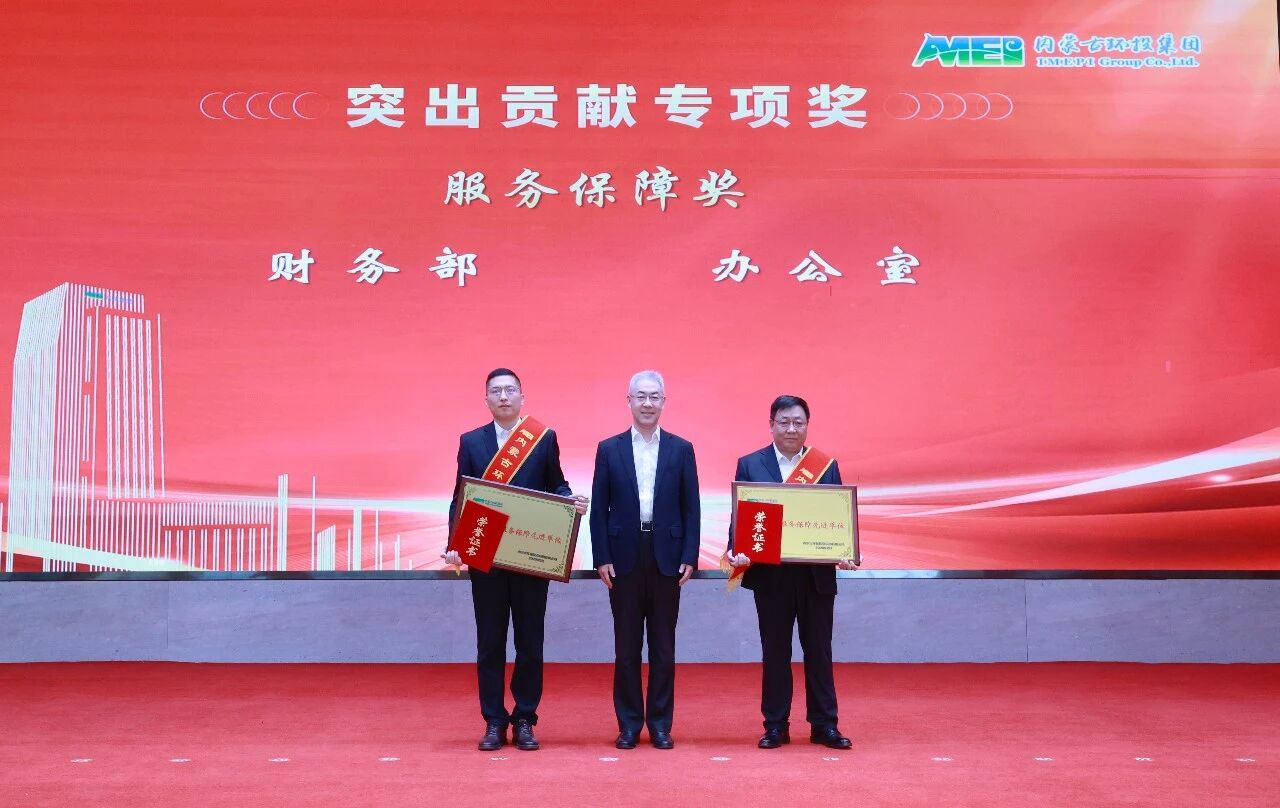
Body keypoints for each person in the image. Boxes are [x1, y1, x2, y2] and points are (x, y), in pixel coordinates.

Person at [443, 368, 588, 752]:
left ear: (522, 397)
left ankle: (525, 718)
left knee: (529, 641)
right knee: (490, 642)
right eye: (496, 391)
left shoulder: (543, 438)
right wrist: (455, 543)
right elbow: (461, 495)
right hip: (486, 556)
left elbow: (557, 484)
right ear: (486, 399)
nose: (504, 397)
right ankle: (493, 720)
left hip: (529, 557)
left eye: (510, 390)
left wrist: (571, 501)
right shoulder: (471, 441)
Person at [726, 395, 858, 750]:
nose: (791, 429)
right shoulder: (750, 464)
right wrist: (735, 548)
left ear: (807, 426)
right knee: (775, 653)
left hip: (816, 577)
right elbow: (741, 516)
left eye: (798, 422)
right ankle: (775, 726)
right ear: (771, 425)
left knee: (819, 652)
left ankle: (824, 725)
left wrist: (845, 551)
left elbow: (837, 518)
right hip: (771, 577)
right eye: (784, 422)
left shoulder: (825, 466)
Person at [590, 370, 700, 750]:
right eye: (641, 396)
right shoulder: (609, 449)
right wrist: (601, 556)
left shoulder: (681, 449)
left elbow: (691, 507)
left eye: (654, 397)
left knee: (663, 648)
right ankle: (628, 725)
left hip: (668, 557)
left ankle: (660, 725)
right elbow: (599, 509)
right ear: (629, 401)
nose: (648, 403)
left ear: (663, 402)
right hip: (623, 557)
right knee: (626, 649)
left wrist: (689, 554)